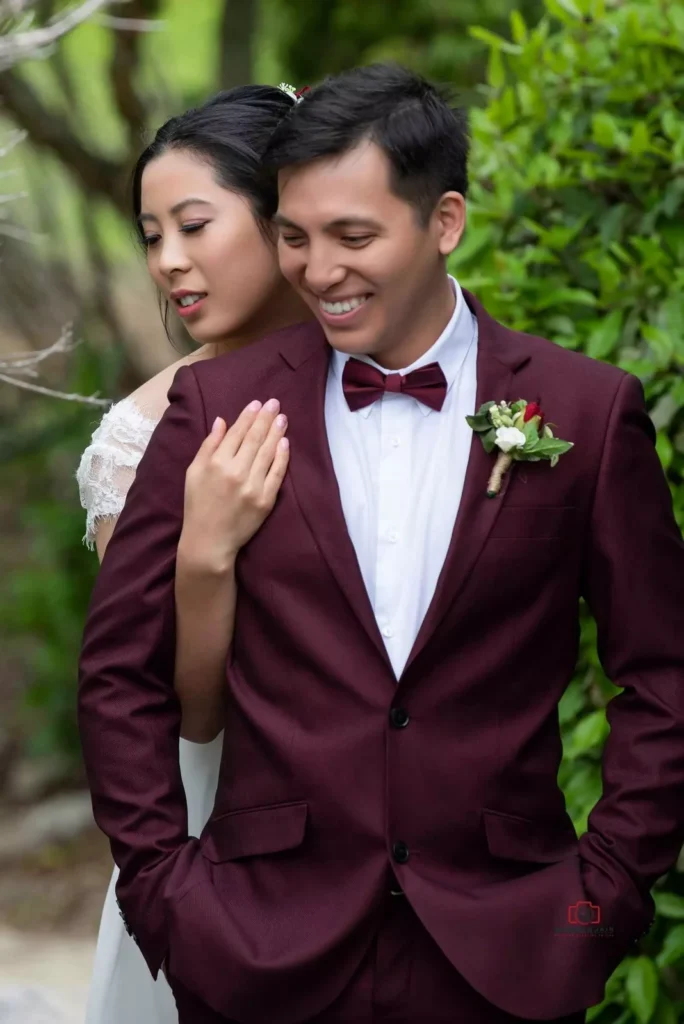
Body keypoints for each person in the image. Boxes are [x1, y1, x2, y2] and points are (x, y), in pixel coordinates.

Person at [77, 63, 684, 1024]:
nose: (319, 270)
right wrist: (166, 893)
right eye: (293, 237)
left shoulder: (587, 412)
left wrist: (601, 902)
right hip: (260, 951)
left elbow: (662, 674)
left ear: (444, 222)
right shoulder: (212, 408)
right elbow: (121, 674)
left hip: (507, 954)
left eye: (353, 236)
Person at [75, 83, 314, 1024]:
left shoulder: (403, 383)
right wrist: (204, 553)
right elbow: (168, 709)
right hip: (223, 840)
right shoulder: (138, 438)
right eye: (150, 234)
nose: (169, 261)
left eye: (194, 225)